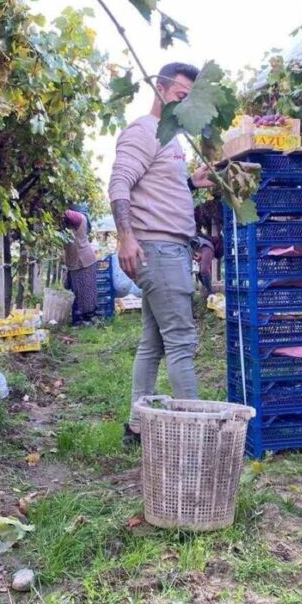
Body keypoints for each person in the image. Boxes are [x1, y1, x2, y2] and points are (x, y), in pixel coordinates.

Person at [108, 62, 214, 442]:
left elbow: (153, 187)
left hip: (167, 249)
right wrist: (126, 237)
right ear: (160, 89)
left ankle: (137, 426)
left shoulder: (169, 136)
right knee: (181, 341)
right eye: (180, 96)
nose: (185, 105)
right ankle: (196, 435)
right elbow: (119, 184)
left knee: (152, 343)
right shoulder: (144, 131)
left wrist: (190, 183)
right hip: (160, 250)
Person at [63, 205, 98, 325]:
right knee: (80, 290)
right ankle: (82, 319)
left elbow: (66, 213)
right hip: (79, 261)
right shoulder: (75, 222)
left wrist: (52, 207)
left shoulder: (80, 217)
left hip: (83, 261)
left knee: (84, 291)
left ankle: (86, 319)